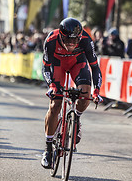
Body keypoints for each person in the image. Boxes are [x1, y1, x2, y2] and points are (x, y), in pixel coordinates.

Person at [41, 17, 103, 169]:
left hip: (77, 63)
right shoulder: (51, 40)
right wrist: (52, 86)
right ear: (61, 36)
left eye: (75, 41)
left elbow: (95, 68)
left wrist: (96, 91)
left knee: (85, 95)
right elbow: (45, 67)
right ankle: (48, 149)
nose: (71, 44)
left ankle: (77, 118)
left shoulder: (86, 41)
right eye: (68, 41)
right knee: (55, 104)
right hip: (57, 65)